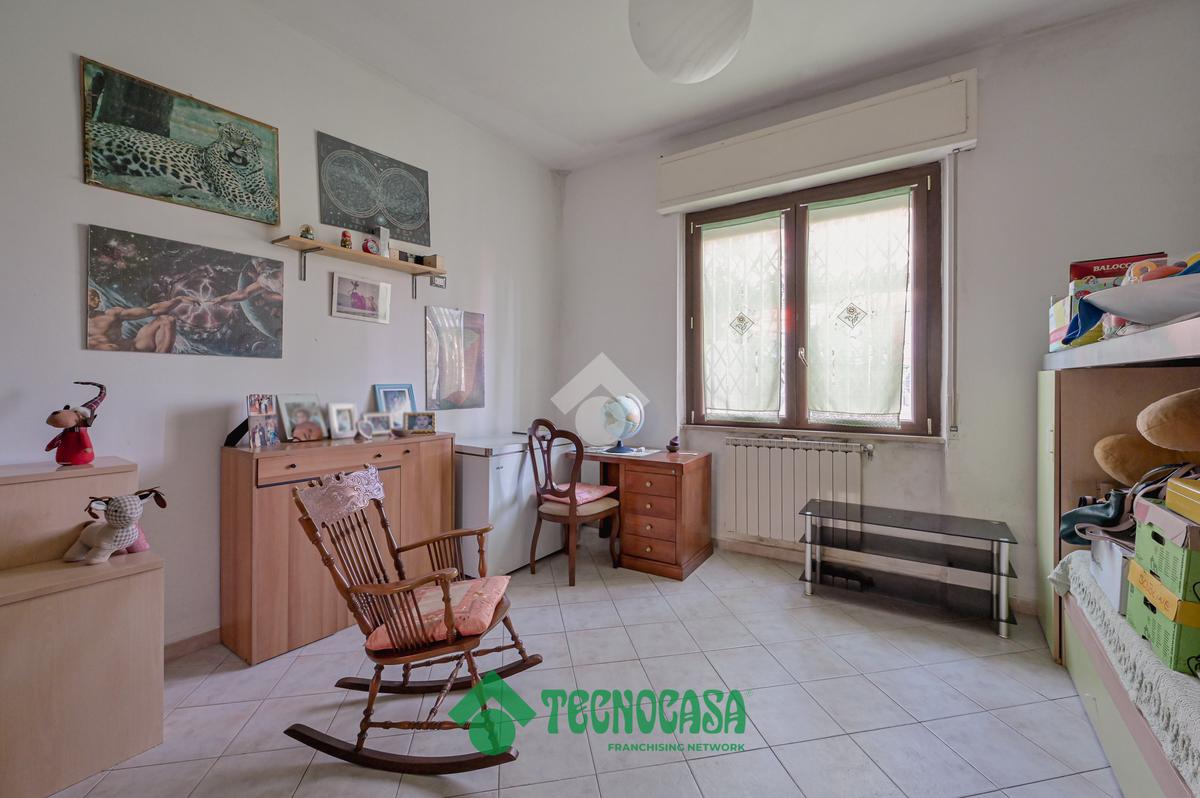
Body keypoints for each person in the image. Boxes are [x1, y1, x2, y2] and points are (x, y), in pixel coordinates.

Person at [86, 287, 196, 353]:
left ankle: (160, 361)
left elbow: (153, 310)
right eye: (92, 296)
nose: (97, 299)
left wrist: (179, 300)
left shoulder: (112, 314)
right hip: (106, 360)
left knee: (167, 319)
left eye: (97, 297)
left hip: (132, 349)